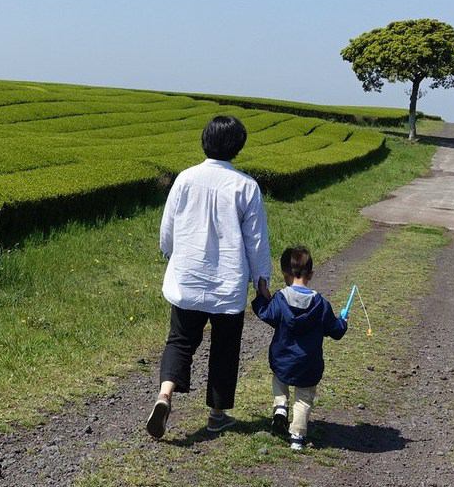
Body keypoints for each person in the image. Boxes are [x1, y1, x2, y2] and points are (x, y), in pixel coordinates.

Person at [146, 115, 272, 439]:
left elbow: (168, 229)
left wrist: (169, 254)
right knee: (225, 347)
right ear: (237, 146)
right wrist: (262, 280)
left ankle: (165, 395)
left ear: (205, 140)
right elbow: (255, 240)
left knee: (180, 339)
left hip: (187, 275)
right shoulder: (246, 186)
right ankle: (217, 415)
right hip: (227, 282)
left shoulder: (185, 179)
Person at [251, 246, 347, 450]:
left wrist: (262, 297)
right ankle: (297, 437)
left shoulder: (280, 298)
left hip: (282, 359)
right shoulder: (320, 304)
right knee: (304, 398)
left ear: (285, 273)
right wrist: (343, 321)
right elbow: (335, 331)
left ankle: (280, 408)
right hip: (308, 363)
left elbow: (267, 314)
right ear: (311, 274)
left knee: (279, 379)